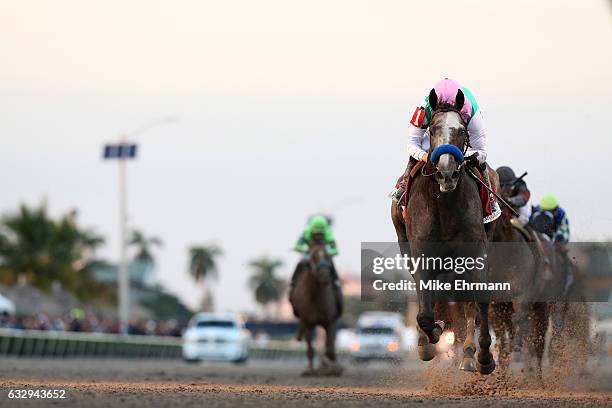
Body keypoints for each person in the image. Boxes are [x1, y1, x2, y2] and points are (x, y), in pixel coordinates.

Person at [391, 78, 499, 222]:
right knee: (417, 153)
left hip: (462, 142)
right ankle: (403, 188)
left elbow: (481, 150)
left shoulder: (471, 110)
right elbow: (412, 143)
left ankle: (490, 200)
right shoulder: (424, 108)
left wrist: (468, 157)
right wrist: (425, 157)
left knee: (479, 163)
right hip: (433, 142)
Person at [290, 215, 342, 315]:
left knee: (330, 265)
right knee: (300, 264)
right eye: (316, 234)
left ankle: (336, 283)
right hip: (309, 256)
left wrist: (329, 252)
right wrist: (304, 249)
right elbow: (297, 245)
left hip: (323, 257)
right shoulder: (306, 232)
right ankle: (293, 283)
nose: (318, 236)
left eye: (320, 234)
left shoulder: (328, 233)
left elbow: (335, 249)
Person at [530, 194, 573, 289]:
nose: (546, 212)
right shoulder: (536, 210)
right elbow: (529, 223)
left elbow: (564, 231)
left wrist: (559, 240)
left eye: (549, 211)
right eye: (544, 210)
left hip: (554, 239)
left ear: (555, 209)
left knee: (564, 256)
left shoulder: (561, 214)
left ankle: (565, 283)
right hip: (536, 236)